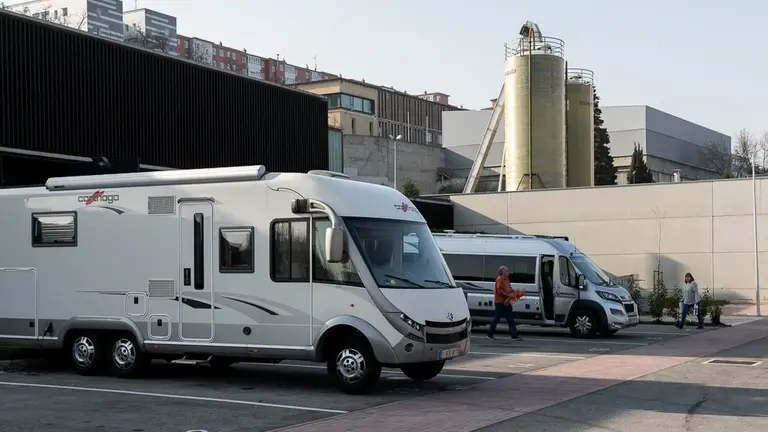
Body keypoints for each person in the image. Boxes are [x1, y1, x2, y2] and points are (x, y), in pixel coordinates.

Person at [487, 266, 522, 341]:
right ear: (502, 272)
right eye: (506, 271)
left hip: (507, 302)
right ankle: (490, 334)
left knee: (510, 319)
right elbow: (500, 292)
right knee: (496, 319)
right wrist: (509, 295)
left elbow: (509, 288)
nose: (508, 272)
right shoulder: (499, 279)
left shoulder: (507, 279)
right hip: (500, 302)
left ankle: (514, 335)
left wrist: (515, 292)